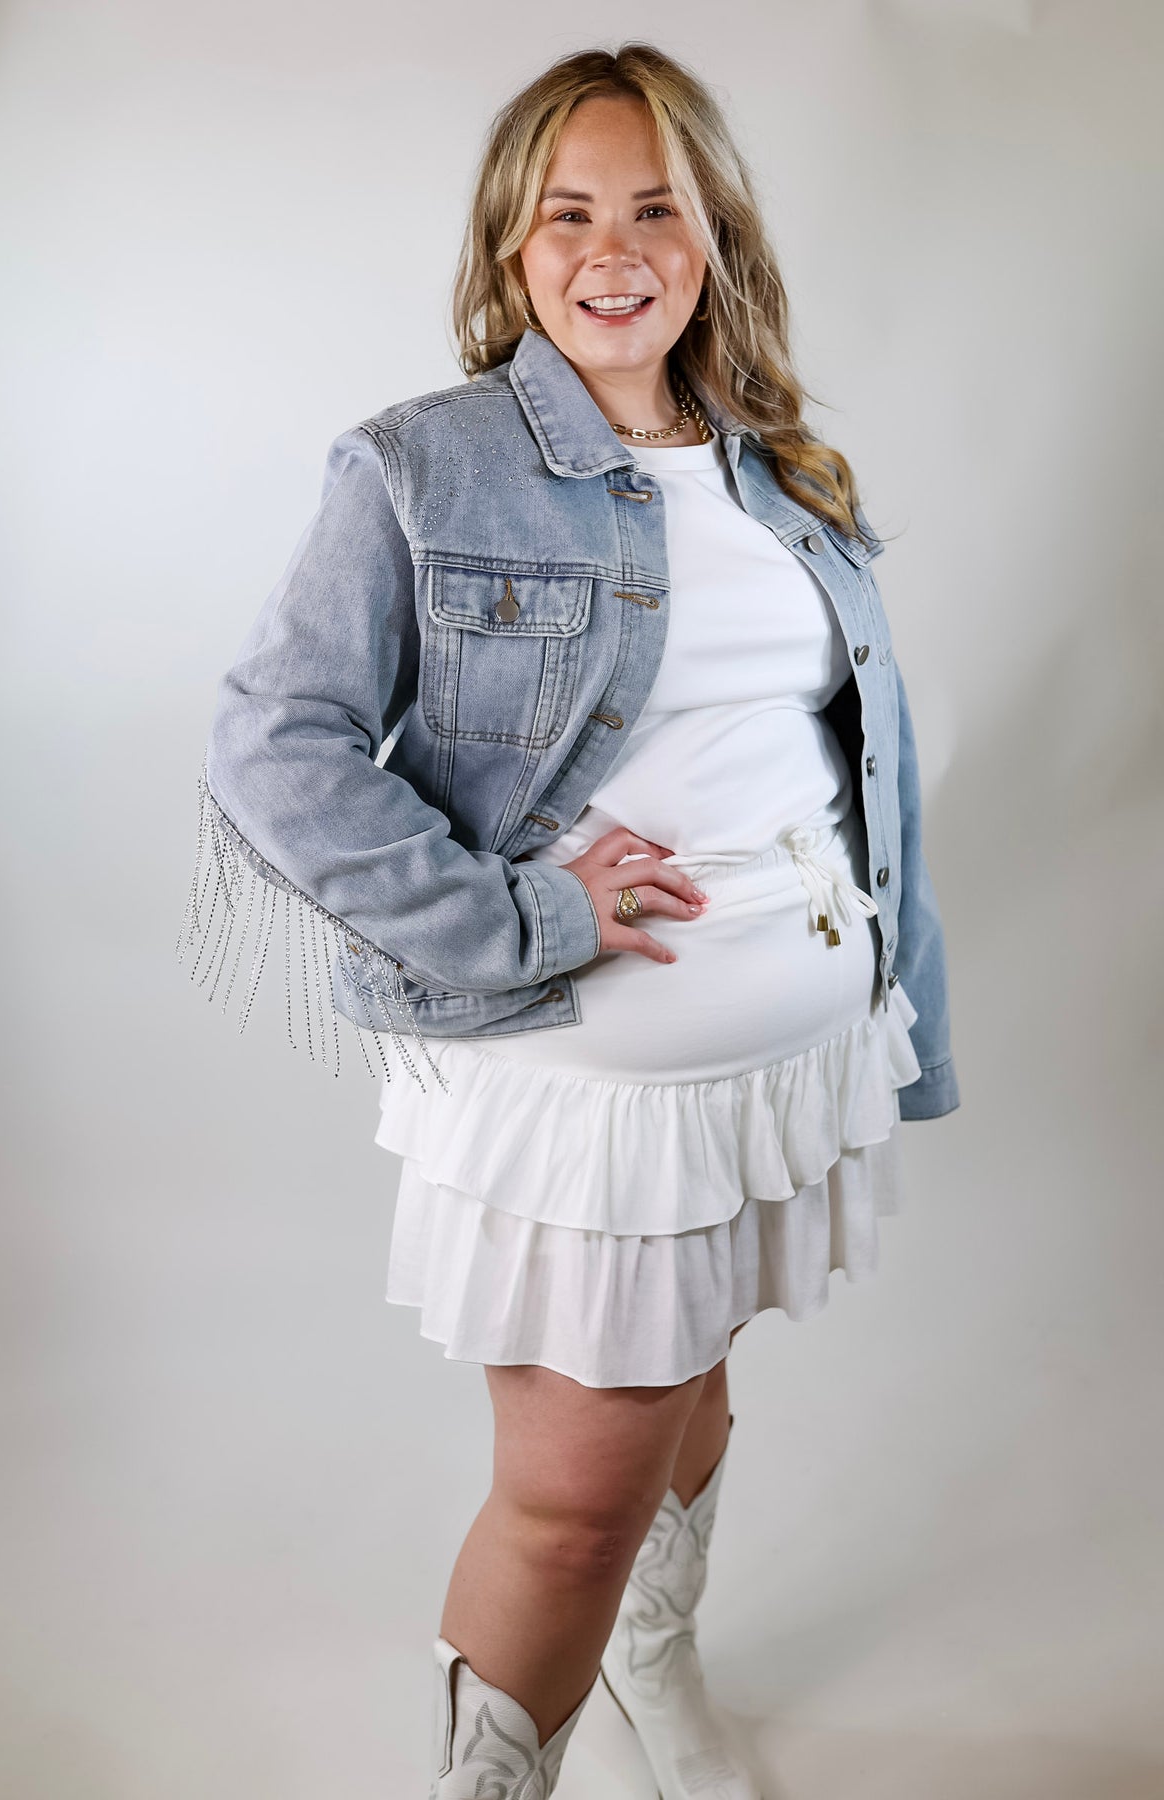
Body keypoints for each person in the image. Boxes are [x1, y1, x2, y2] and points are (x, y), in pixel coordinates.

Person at [178, 41, 960, 1800]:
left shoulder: (781, 466)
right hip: (594, 1096)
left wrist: (883, 979)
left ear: (715, 235)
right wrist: (519, 913)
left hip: (789, 1065)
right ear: (508, 248)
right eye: (568, 214)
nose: (616, 251)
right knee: (569, 1505)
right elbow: (274, 743)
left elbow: (842, 754)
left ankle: (650, 1668)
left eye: (657, 208)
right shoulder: (424, 465)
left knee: (693, 1387)